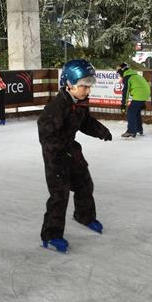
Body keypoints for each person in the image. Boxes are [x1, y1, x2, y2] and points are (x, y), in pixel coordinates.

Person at [37, 59, 112, 252]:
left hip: (71, 150)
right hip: (55, 156)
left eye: (89, 86)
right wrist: (57, 150)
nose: (87, 91)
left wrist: (101, 131)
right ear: (69, 84)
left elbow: (85, 122)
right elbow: (45, 132)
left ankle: (84, 216)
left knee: (85, 184)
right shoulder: (56, 107)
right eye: (83, 86)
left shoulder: (79, 102)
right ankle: (51, 235)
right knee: (59, 195)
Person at [116, 62, 151, 138]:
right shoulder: (135, 75)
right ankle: (139, 129)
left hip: (140, 95)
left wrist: (123, 104)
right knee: (136, 111)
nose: (119, 74)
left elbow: (126, 92)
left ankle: (131, 131)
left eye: (119, 72)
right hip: (144, 94)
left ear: (122, 70)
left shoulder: (128, 77)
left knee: (131, 112)